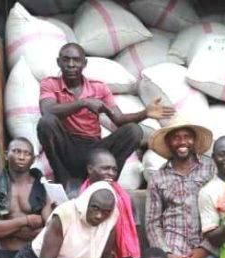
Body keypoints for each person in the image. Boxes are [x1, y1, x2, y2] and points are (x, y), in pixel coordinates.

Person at [37, 42, 175, 192]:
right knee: (46, 122)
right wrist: (83, 103)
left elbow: (119, 119)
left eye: (76, 60)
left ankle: (107, 184)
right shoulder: (50, 83)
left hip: (94, 149)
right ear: (59, 62)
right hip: (66, 147)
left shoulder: (99, 88)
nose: (71, 65)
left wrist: (145, 113)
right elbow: (47, 110)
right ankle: (64, 180)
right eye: (66, 59)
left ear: (84, 63)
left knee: (133, 131)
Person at [145, 118, 218, 258]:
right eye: (176, 138)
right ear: (169, 143)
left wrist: (204, 250)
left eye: (187, 137)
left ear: (194, 140)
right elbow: (152, 223)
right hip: (174, 253)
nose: (182, 142)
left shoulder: (210, 169)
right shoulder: (158, 177)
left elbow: (223, 213)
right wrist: (167, 255)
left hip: (207, 252)